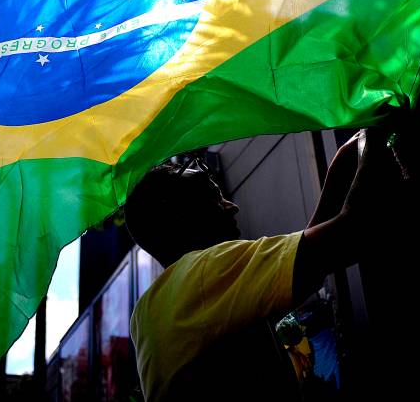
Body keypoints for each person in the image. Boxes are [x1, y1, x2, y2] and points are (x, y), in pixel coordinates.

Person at [125, 129, 386, 401]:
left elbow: (302, 265)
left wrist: (340, 168)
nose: (231, 206)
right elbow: (354, 231)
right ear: (179, 219)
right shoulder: (203, 272)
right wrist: (377, 134)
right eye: (213, 197)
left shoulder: (151, 313)